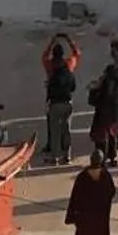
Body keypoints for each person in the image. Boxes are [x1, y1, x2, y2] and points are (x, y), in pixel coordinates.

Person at [65, 147, 118, 235]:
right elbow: (112, 192)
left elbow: (75, 197)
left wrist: (73, 215)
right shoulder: (105, 176)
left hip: (85, 220)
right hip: (100, 219)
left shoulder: (82, 177)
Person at [44, 34, 79, 165]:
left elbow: (44, 56)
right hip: (67, 101)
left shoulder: (50, 67)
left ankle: (55, 157)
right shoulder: (69, 65)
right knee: (66, 130)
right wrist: (69, 40)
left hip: (53, 102)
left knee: (54, 131)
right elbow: (76, 53)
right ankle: (67, 156)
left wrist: (52, 41)